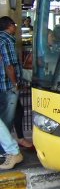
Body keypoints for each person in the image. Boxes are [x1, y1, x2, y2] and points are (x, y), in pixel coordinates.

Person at [0, 16, 23, 170]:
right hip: (8, 85)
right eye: (15, 24)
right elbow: (9, 65)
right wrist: (15, 83)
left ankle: (10, 151)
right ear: (10, 26)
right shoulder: (6, 40)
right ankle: (11, 151)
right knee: (6, 119)